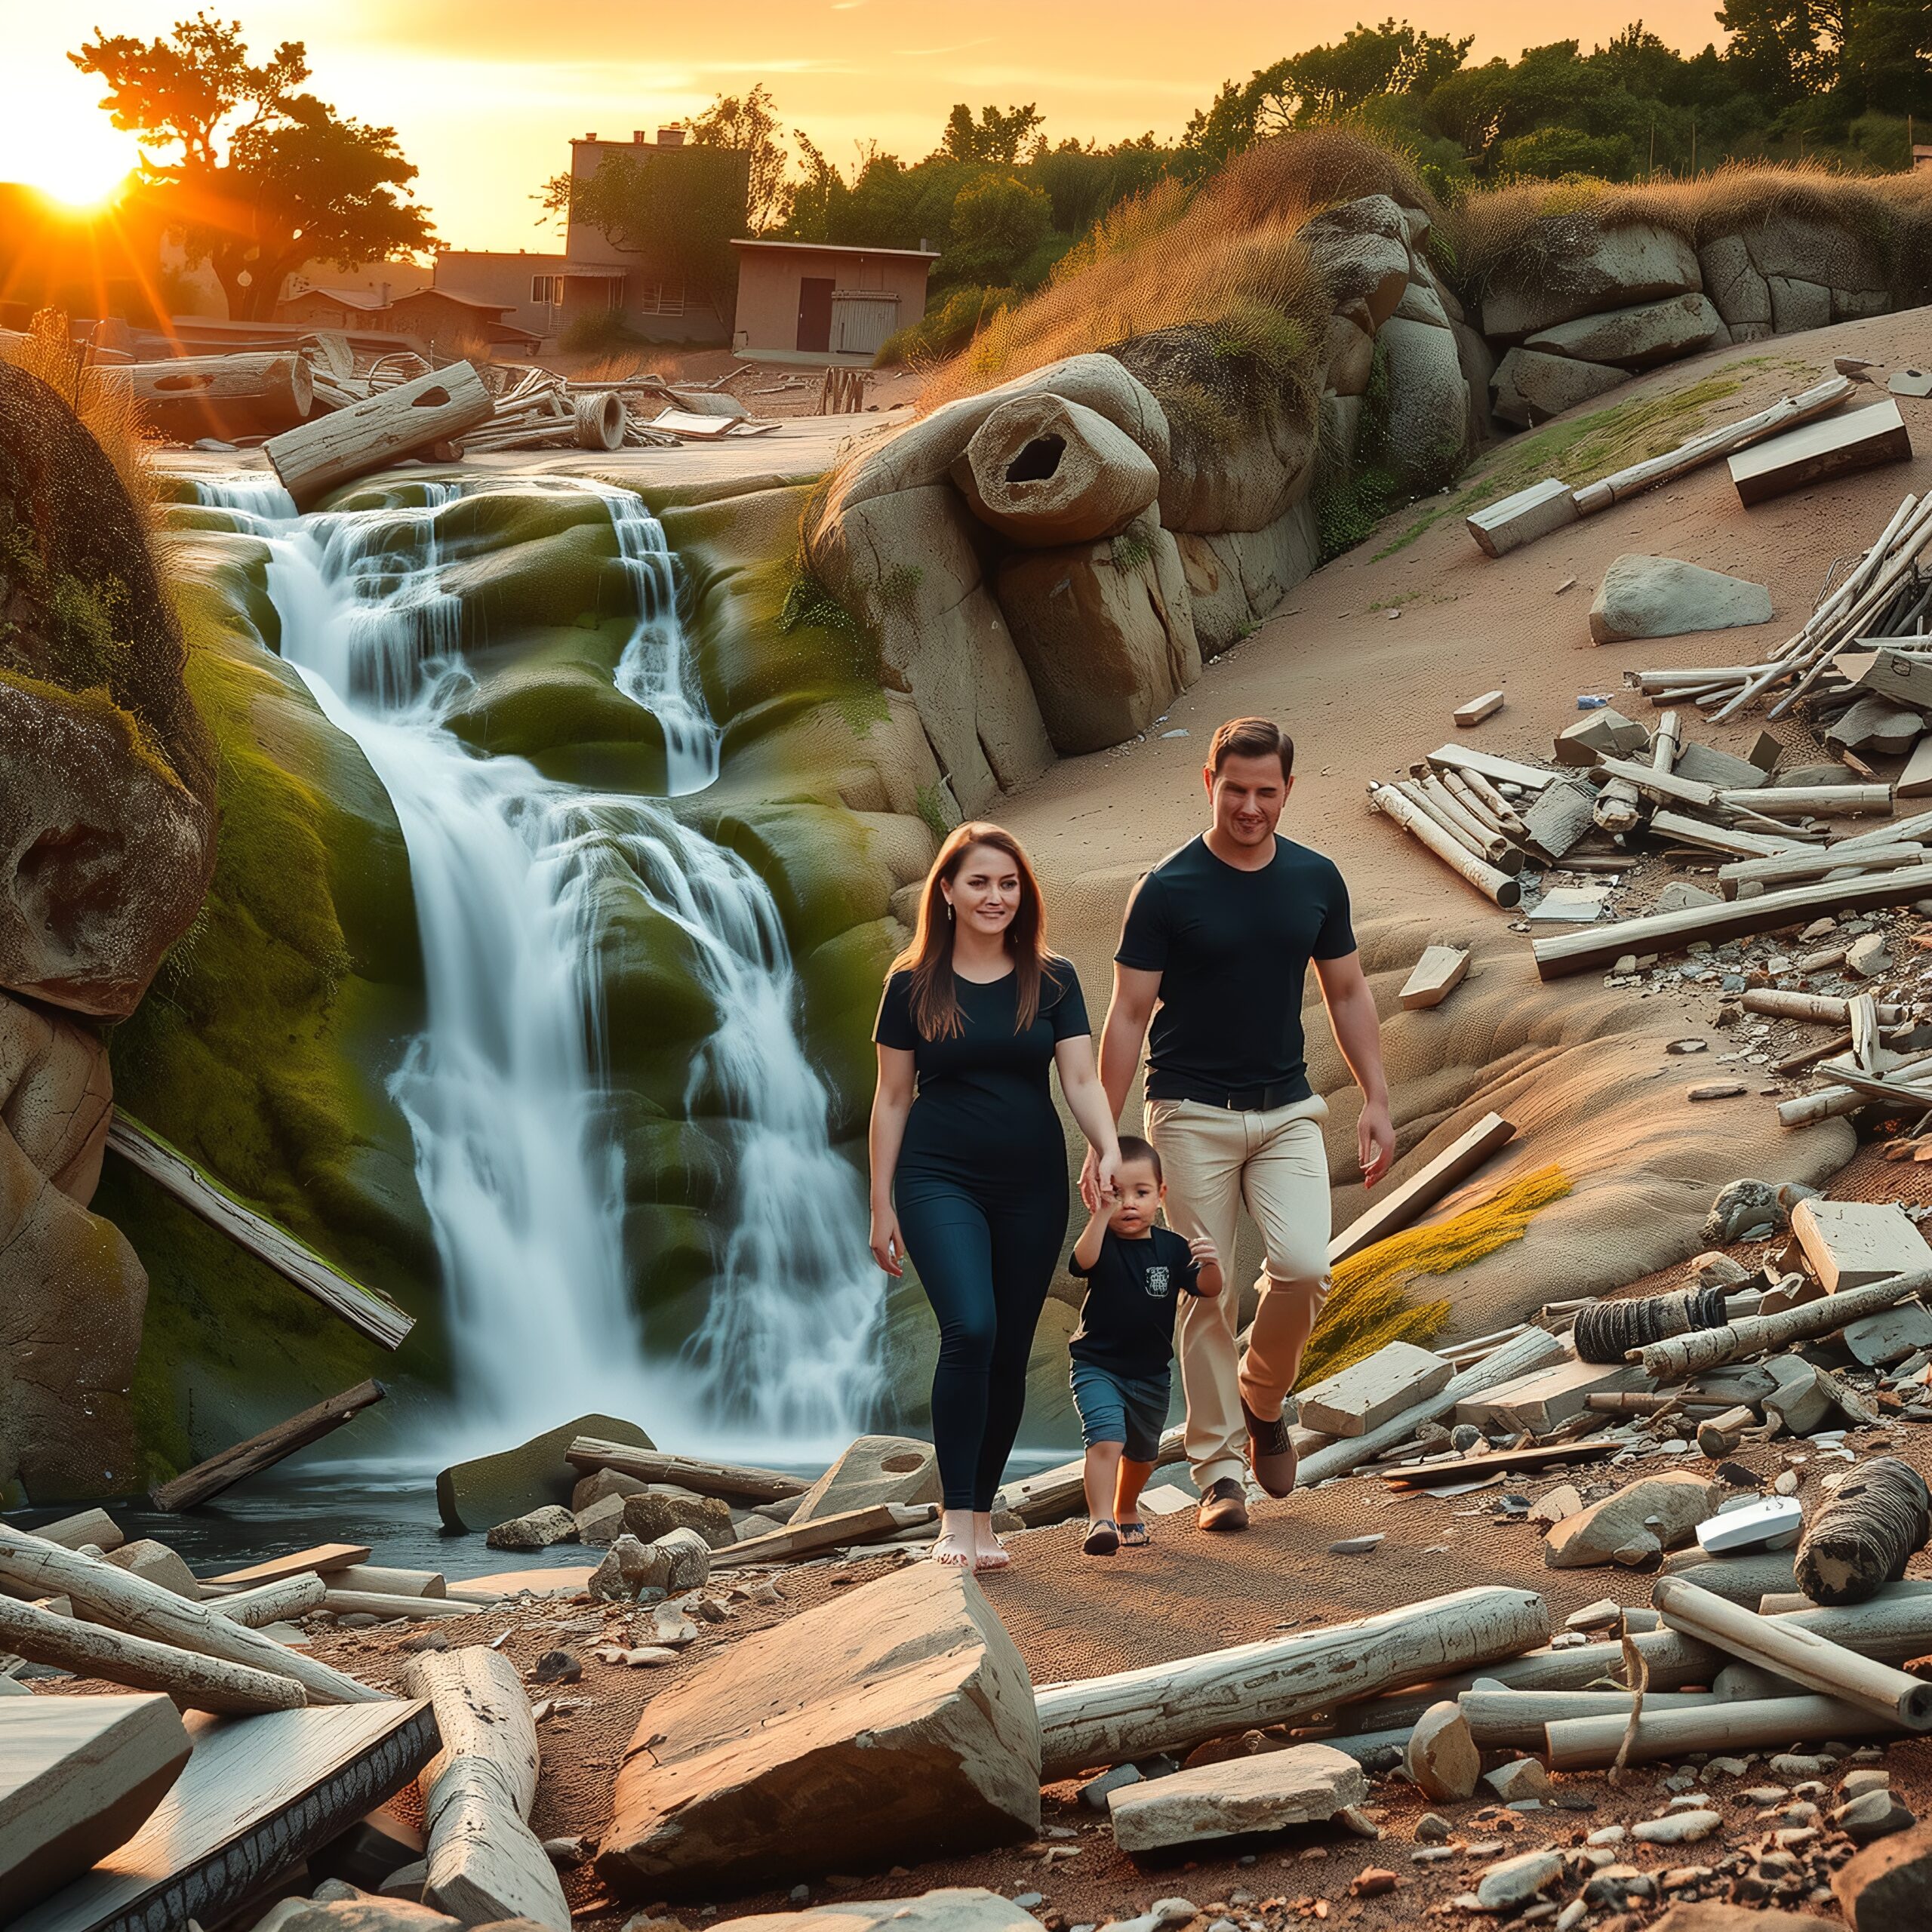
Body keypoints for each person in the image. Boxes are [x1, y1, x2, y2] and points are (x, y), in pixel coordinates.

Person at [1083, 715, 1394, 1534]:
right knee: (1204, 1292)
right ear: (1208, 783)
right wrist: (1106, 1138)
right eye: (1234, 790)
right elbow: (1127, 1015)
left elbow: (1347, 991)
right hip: (1189, 1115)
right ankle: (1220, 1473)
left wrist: (1376, 1096)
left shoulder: (1316, 878)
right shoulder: (1165, 889)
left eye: (1265, 791)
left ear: (1287, 790)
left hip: (1288, 1110)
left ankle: (1262, 1396)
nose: (1249, 806)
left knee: (1304, 1267)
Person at [870, 822, 1123, 1574]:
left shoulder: (1054, 978)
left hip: (1030, 1184)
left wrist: (1109, 1146)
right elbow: (891, 1098)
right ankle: (953, 1519)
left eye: (1008, 883)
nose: (995, 896)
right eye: (979, 882)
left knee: (1010, 1345)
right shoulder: (910, 984)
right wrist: (881, 1202)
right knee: (971, 1329)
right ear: (946, 891)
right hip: (936, 1176)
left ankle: (983, 1519)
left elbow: (1080, 1078)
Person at [1067, 1135, 1222, 1555]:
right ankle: (1100, 1521)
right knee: (1106, 1439)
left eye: (1141, 1193)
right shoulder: (1101, 1241)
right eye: (1117, 1193)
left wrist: (1212, 1264)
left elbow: (1208, 1289)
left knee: (1142, 1455)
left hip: (1151, 1374)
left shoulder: (1171, 1248)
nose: (1129, 1204)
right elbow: (1081, 1262)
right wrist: (1101, 1214)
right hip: (1097, 1365)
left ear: (1161, 1195)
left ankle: (1126, 1507)